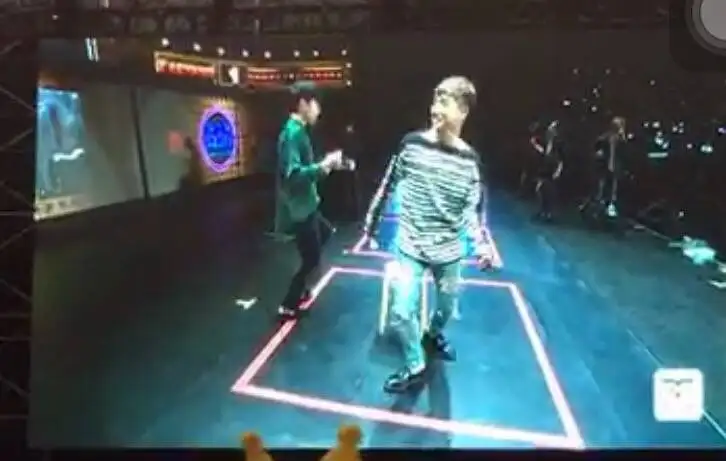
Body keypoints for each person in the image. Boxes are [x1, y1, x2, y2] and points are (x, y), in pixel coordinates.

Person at [363, 76, 493, 393]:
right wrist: (371, 226)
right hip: (410, 246)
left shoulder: (469, 161)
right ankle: (415, 365)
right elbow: (387, 185)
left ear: (463, 110)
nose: (435, 109)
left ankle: (432, 335)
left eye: (444, 102)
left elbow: (472, 210)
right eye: (435, 100)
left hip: (449, 252)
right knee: (400, 311)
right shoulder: (411, 145)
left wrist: (481, 245)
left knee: (446, 309)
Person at [276, 81, 352, 319]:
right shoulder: (293, 133)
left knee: (324, 235)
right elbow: (293, 175)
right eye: (316, 104)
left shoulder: (298, 131)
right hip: (300, 208)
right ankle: (288, 303)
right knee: (312, 258)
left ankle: (301, 288)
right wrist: (323, 166)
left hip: (308, 204)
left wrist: (327, 165)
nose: (318, 110)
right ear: (303, 104)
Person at [530, 120, 564, 221]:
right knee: (540, 189)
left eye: (552, 128)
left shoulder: (558, 143)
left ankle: (548, 213)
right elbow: (544, 152)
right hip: (545, 167)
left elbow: (561, 160)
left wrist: (558, 171)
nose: (550, 130)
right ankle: (543, 211)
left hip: (552, 168)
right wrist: (535, 145)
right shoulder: (547, 141)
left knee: (549, 191)